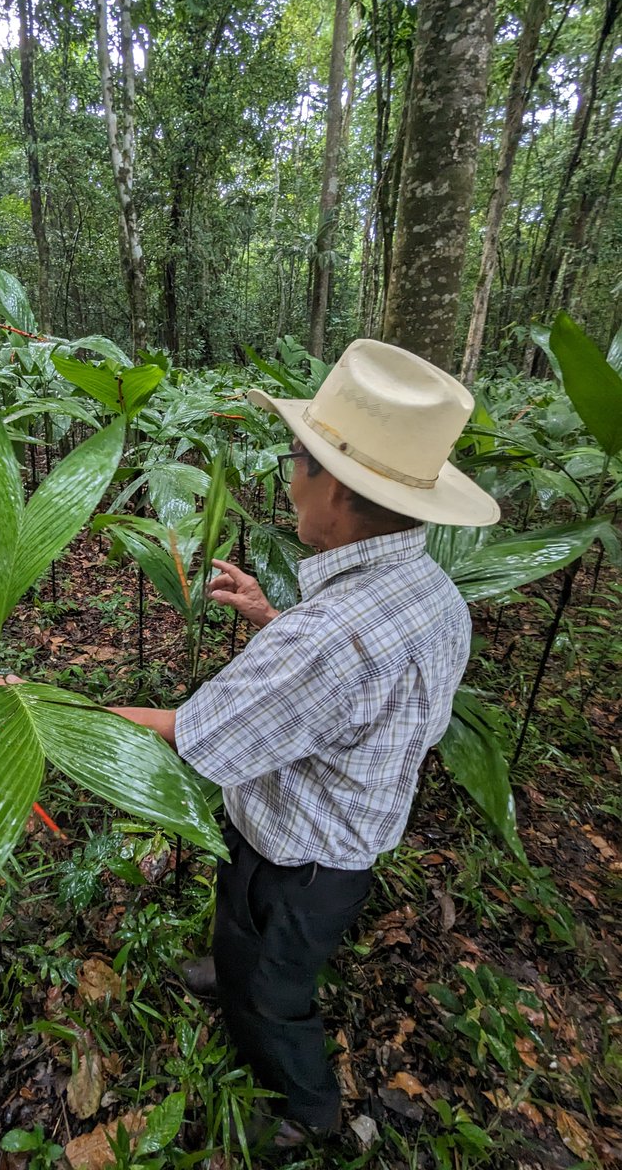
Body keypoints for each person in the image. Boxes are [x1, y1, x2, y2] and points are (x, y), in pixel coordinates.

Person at [111, 340, 500, 1151]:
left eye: (299, 460)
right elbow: (354, 681)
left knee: (277, 993)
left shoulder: (327, 639)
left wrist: (57, 714)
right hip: (326, 843)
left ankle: (307, 1108)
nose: (290, 476)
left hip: (301, 863)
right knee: (238, 926)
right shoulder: (431, 591)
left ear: (337, 488)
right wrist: (266, 616)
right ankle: (228, 972)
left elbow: (200, 737)